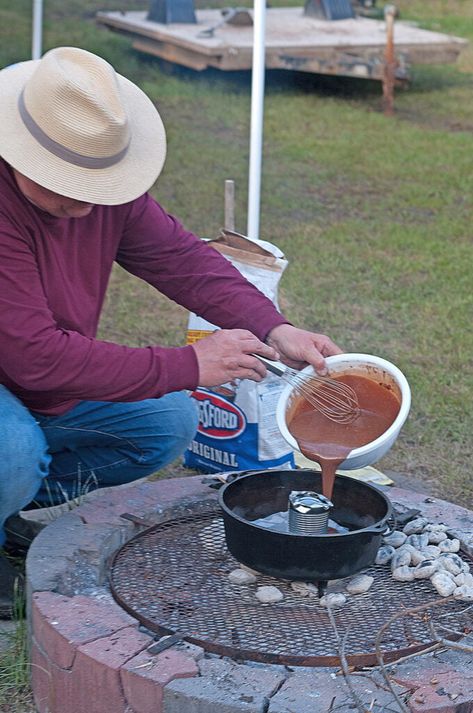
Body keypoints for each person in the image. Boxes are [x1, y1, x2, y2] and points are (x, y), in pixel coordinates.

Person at [0, 46, 342, 616]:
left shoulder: (103, 189)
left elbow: (182, 260)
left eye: (98, 182)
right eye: (70, 182)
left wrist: (274, 326)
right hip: (18, 370)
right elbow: (37, 359)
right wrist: (189, 365)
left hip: (29, 374)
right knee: (13, 449)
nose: (89, 203)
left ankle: (4, 507)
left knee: (169, 422)